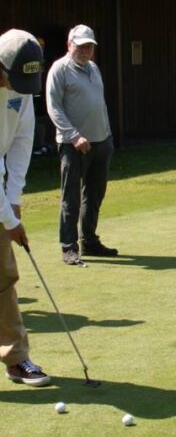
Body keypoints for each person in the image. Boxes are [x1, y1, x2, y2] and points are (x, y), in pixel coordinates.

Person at [0, 29, 51, 386]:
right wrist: (8, 217)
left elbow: (21, 140)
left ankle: (16, 358)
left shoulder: (22, 89)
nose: (19, 86)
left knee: (3, 277)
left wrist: (13, 203)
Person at [46, 25, 117, 265]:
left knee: (95, 194)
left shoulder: (93, 68)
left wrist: (107, 136)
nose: (86, 50)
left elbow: (99, 104)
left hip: (100, 141)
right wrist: (74, 136)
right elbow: (54, 108)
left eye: (89, 46)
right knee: (71, 198)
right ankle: (69, 247)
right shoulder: (59, 69)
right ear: (69, 44)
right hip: (72, 145)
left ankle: (89, 241)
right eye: (81, 46)